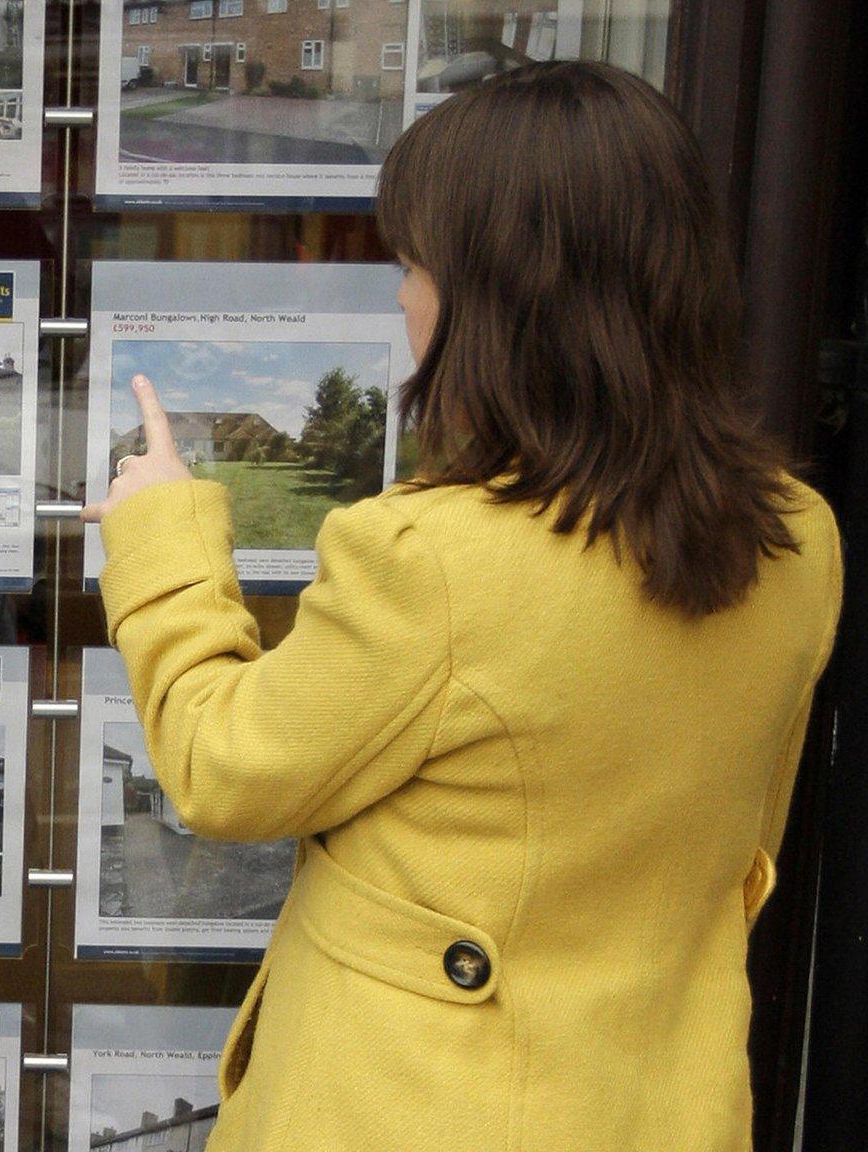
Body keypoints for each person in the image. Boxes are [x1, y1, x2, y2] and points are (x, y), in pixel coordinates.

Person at [83, 63, 841, 1151]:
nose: (400, 294)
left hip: (418, 1106)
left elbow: (220, 767)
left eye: (413, 263)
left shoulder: (435, 558)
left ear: (497, 295)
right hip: (654, 1109)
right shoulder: (797, 538)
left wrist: (160, 529)